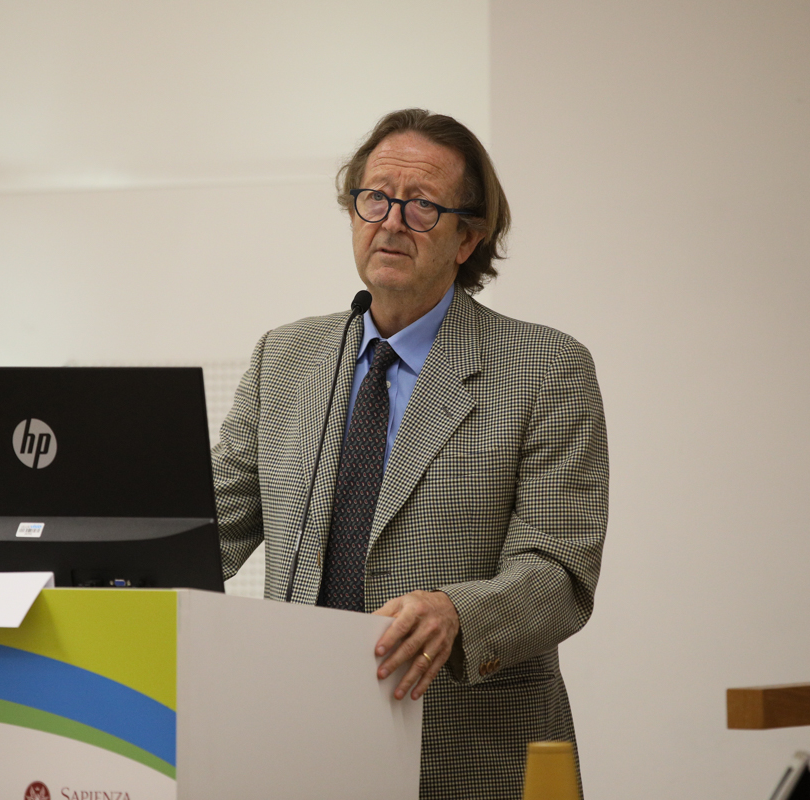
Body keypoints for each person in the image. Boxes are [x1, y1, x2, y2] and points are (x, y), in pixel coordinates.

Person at [212, 108, 608, 800]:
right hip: (300, 747)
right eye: (375, 197)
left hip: (470, 755)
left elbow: (559, 570)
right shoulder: (285, 357)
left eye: (422, 205)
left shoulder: (547, 369)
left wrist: (457, 612)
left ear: (468, 237)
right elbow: (209, 526)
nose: (391, 222)